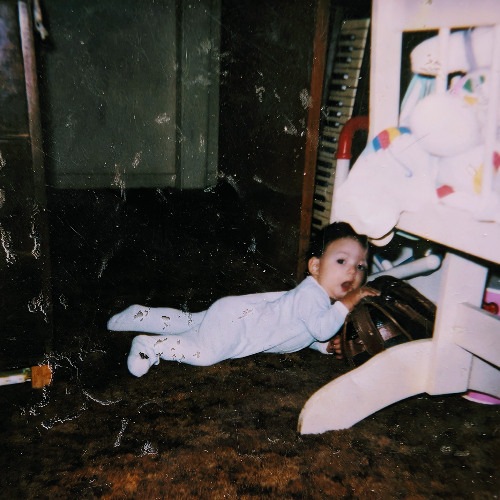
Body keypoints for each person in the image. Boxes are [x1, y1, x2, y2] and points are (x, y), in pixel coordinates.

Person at [107, 222, 379, 377]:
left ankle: (140, 315)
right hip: (237, 328)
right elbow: (319, 328)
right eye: (342, 261)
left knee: (190, 322)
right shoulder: (312, 296)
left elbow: (302, 329)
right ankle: (149, 345)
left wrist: (322, 347)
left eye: (360, 266)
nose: (352, 272)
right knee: (204, 352)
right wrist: (349, 302)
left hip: (235, 314)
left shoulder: (316, 298)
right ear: (316, 266)